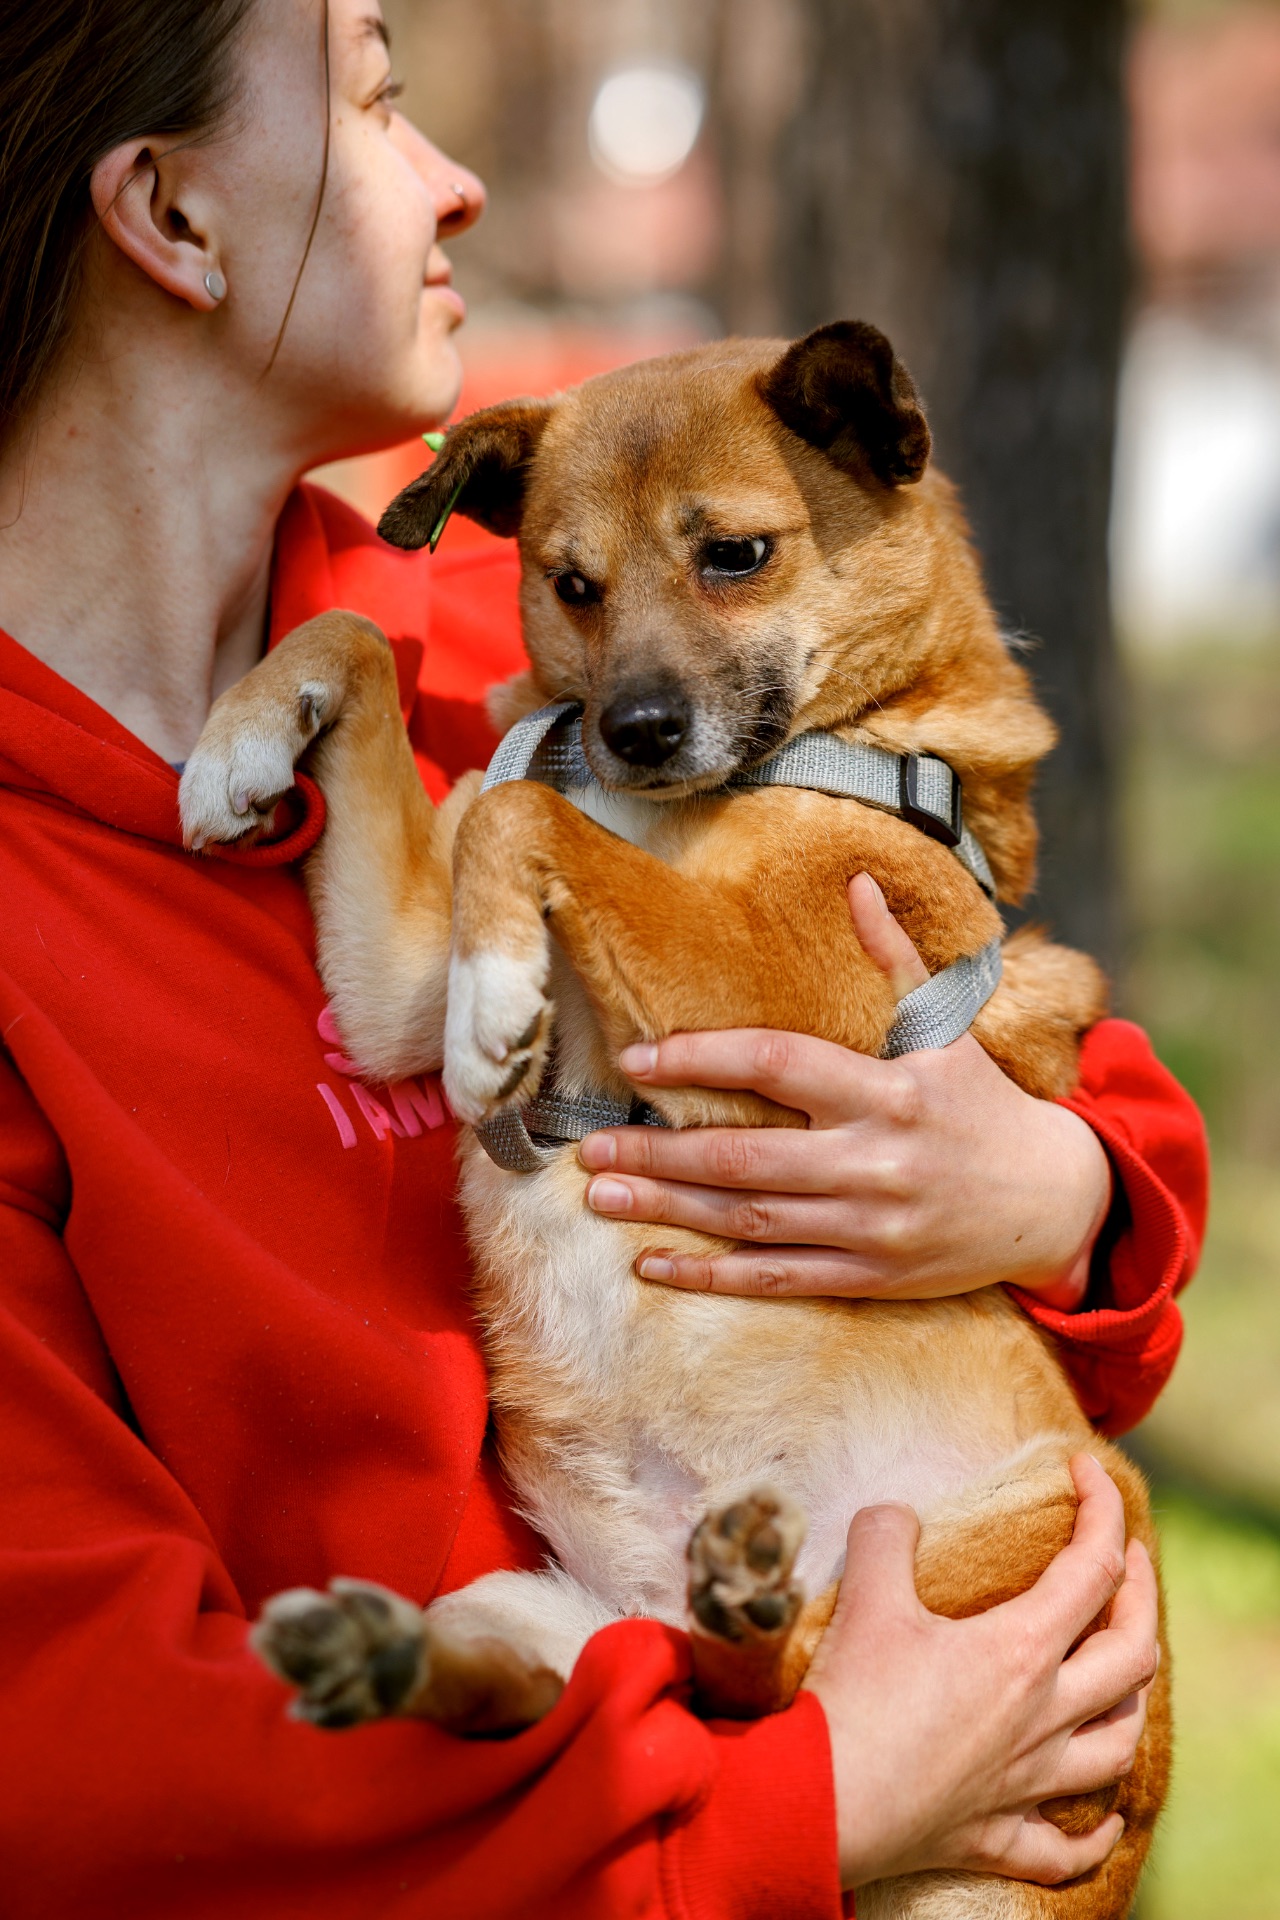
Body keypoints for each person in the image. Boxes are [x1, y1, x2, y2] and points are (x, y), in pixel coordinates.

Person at [0, 1, 1207, 1914]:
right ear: (171, 212)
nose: (460, 180)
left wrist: (1061, 1193)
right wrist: (805, 1802)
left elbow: (1064, 1061)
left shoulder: (539, 652)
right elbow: (83, 1761)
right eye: (380, 100)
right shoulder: (546, 639)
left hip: (850, 1605)